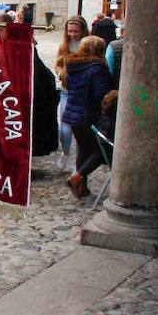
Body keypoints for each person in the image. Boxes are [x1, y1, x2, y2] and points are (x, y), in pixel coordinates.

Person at [63, 36, 114, 199]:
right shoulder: (97, 68)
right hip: (89, 115)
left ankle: (81, 188)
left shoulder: (73, 65)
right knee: (100, 152)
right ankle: (77, 177)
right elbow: (101, 94)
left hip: (73, 113)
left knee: (83, 149)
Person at [54, 16, 90, 171]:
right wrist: (62, 73)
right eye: (70, 31)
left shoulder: (89, 45)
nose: (73, 34)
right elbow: (57, 64)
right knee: (65, 128)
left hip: (83, 93)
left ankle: (79, 165)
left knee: (81, 130)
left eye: (76, 31)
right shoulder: (64, 45)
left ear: (82, 30)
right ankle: (66, 152)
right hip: (66, 91)